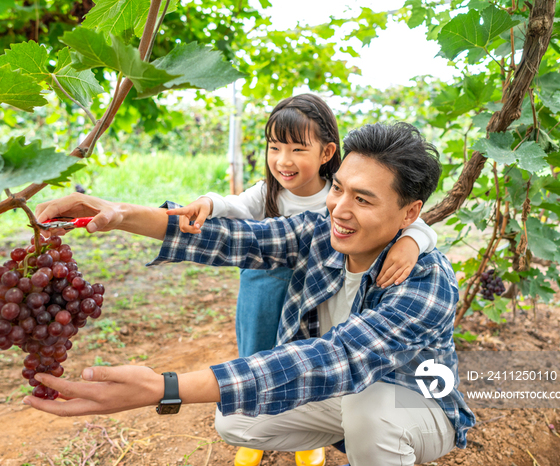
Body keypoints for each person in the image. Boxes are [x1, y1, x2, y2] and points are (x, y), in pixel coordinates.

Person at [26, 122, 475, 466]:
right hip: (345, 390)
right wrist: (119, 213)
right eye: (338, 189)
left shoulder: (426, 279)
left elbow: (338, 357)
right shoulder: (320, 230)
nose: (339, 208)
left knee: (370, 409)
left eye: (364, 199)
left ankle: (378, 444)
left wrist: (165, 388)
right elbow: (234, 238)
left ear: (410, 213)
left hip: (415, 400)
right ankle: (349, 437)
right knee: (236, 416)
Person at [174, 94, 438, 466]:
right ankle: (256, 424)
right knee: (258, 351)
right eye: (274, 147)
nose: (284, 160)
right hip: (264, 287)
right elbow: (233, 209)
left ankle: (306, 437)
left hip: (312, 290)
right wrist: (207, 203)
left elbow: (414, 220)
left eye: (298, 148)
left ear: (327, 151)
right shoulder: (270, 193)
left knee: (311, 357)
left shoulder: (341, 188)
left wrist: (411, 242)